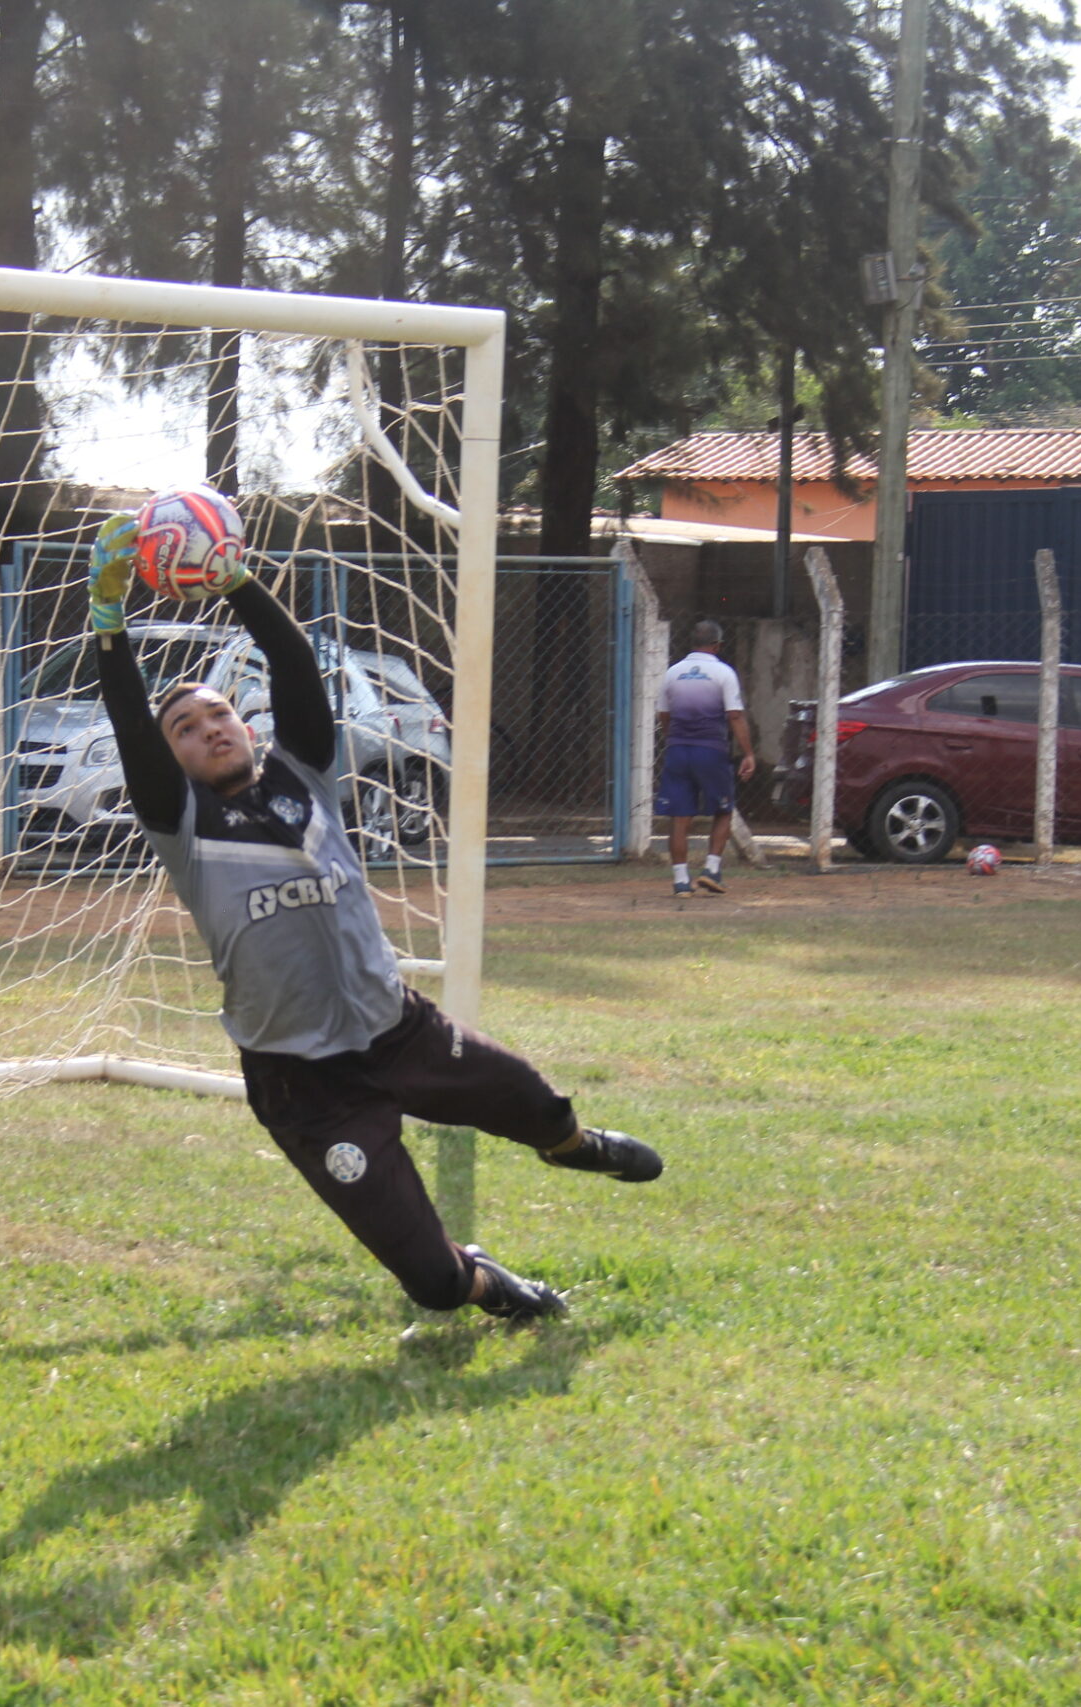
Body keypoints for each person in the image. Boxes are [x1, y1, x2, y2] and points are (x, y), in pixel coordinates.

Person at [87, 508, 662, 1324]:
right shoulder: (182, 825)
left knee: (539, 1104)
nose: (207, 728)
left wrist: (235, 579)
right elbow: (127, 720)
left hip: (399, 1028)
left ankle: (578, 1150)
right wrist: (108, 624)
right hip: (304, 1085)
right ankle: (488, 1279)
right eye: (183, 727)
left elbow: (290, 661)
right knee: (433, 1285)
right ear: (169, 755)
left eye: (218, 714)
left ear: (243, 726)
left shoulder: (305, 774)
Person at [655, 619, 756, 896]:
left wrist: (672, 738)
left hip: (678, 750)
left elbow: (664, 715)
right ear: (717, 645)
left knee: (680, 816)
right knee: (723, 809)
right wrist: (748, 753)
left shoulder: (672, 673)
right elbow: (734, 715)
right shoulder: (723, 673)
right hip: (710, 750)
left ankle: (680, 881)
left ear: (692, 644)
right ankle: (711, 869)